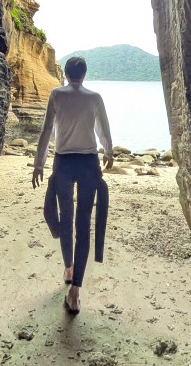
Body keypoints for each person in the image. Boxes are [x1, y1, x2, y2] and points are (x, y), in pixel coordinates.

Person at [32, 55, 113, 315]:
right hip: (88, 163)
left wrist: (38, 163)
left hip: (64, 163)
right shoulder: (94, 97)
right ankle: (75, 291)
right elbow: (102, 129)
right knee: (83, 225)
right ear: (84, 74)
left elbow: (47, 130)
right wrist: (108, 151)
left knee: (66, 220)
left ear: (66, 74)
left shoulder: (57, 94)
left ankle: (68, 268)